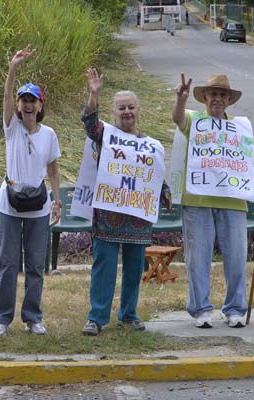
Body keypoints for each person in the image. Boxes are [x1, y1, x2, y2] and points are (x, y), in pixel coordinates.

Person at [172, 73, 254, 329]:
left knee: (237, 257)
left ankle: (236, 308)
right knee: (198, 257)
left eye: (222, 94)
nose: (217, 98)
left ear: (229, 100)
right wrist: (181, 100)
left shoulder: (239, 127)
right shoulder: (195, 120)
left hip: (233, 199)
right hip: (198, 199)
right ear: (205, 98)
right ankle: (200, 309)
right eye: (212, 94)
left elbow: (243, 159)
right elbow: (178, 119)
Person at [81, 67, 172, 336]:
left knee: (134, 269)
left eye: (131, 107)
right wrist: (93, 94)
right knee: (104, 267)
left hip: (137, 215)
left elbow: (154, 174)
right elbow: (88, 123)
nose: (127, 112)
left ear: (138, 109)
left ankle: (129, 314)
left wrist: (164, 191)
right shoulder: (105, 134)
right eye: (121, 108)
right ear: (113, 112)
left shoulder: (151, 144)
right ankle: (96, 317)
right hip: (109, 213)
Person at [0, 46, 61, 338]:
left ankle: (33, 317)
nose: (28, 105)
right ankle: (2, 319)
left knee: (35, 264)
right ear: (18, 106)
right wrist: (12, 68)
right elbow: (5, 97)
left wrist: (57, 200)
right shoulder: (12, 128)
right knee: (8, 264)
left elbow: (53, 170)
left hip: (38, 207)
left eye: (33, 100)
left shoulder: (49, 134)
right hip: (10, 205)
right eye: (24, 101)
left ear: (40, 105)